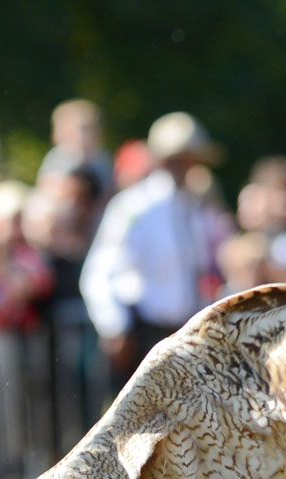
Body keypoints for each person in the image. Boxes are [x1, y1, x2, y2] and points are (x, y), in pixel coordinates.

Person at [79, 111, 222, 384]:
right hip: (141, 334)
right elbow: (99, 272)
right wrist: (114, 328)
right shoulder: (134, 206)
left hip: (182, 333)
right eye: (179, 159)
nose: (185, 167)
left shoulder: (193, 209)